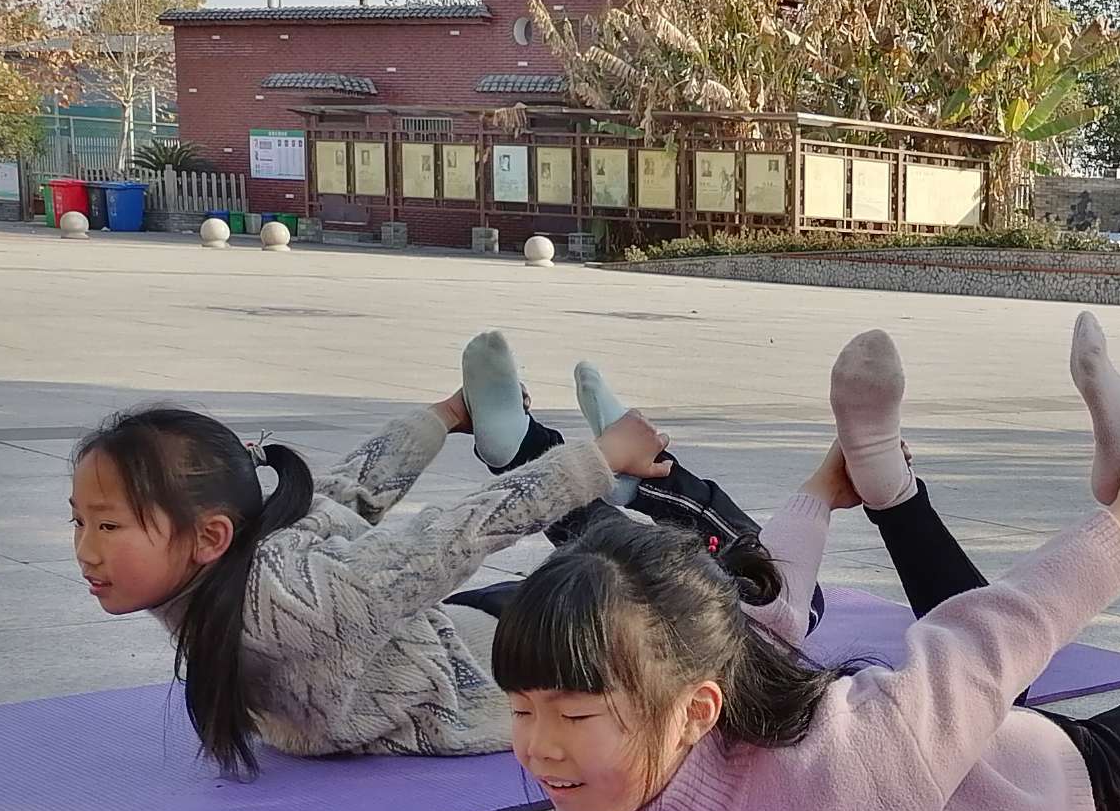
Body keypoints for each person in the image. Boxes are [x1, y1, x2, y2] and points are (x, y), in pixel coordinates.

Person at [493, 314, 1120, 811]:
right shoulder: (663, 737)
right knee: (976, 674)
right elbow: (742, 621)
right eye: (525, 709)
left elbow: (995, 635)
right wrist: (818, 488)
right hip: (920, 773)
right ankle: (884, 481)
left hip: (1033, 796)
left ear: (697, 710)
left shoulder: (848, 764)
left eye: (571, 715)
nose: (540, 748)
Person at [65, 331, 757, 775]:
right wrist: (593, 461)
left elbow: (350, 494)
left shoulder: (269, 579)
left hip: (457, 643)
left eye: (107, 527)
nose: (85, 553)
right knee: (753, 593)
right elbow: (445, 540)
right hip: (484, 667)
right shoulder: (283, 597)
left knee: (665, 572)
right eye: (82, 524)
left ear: (214, 534)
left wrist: (445, 415)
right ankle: (589, 460)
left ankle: (590, 462)